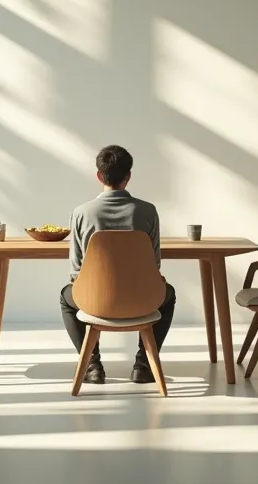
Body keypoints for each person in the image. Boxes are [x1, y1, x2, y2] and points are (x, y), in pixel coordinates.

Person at [59, 145, 176, 384]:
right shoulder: (147, 211)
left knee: (66, 297)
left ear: (99, 176)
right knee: (169, 294)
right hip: (142, 300)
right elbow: (154, 264)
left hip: (94, 301)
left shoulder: (81, 213)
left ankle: (92, 365)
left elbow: (76, 270)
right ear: (128, 176)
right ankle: (144, 365)